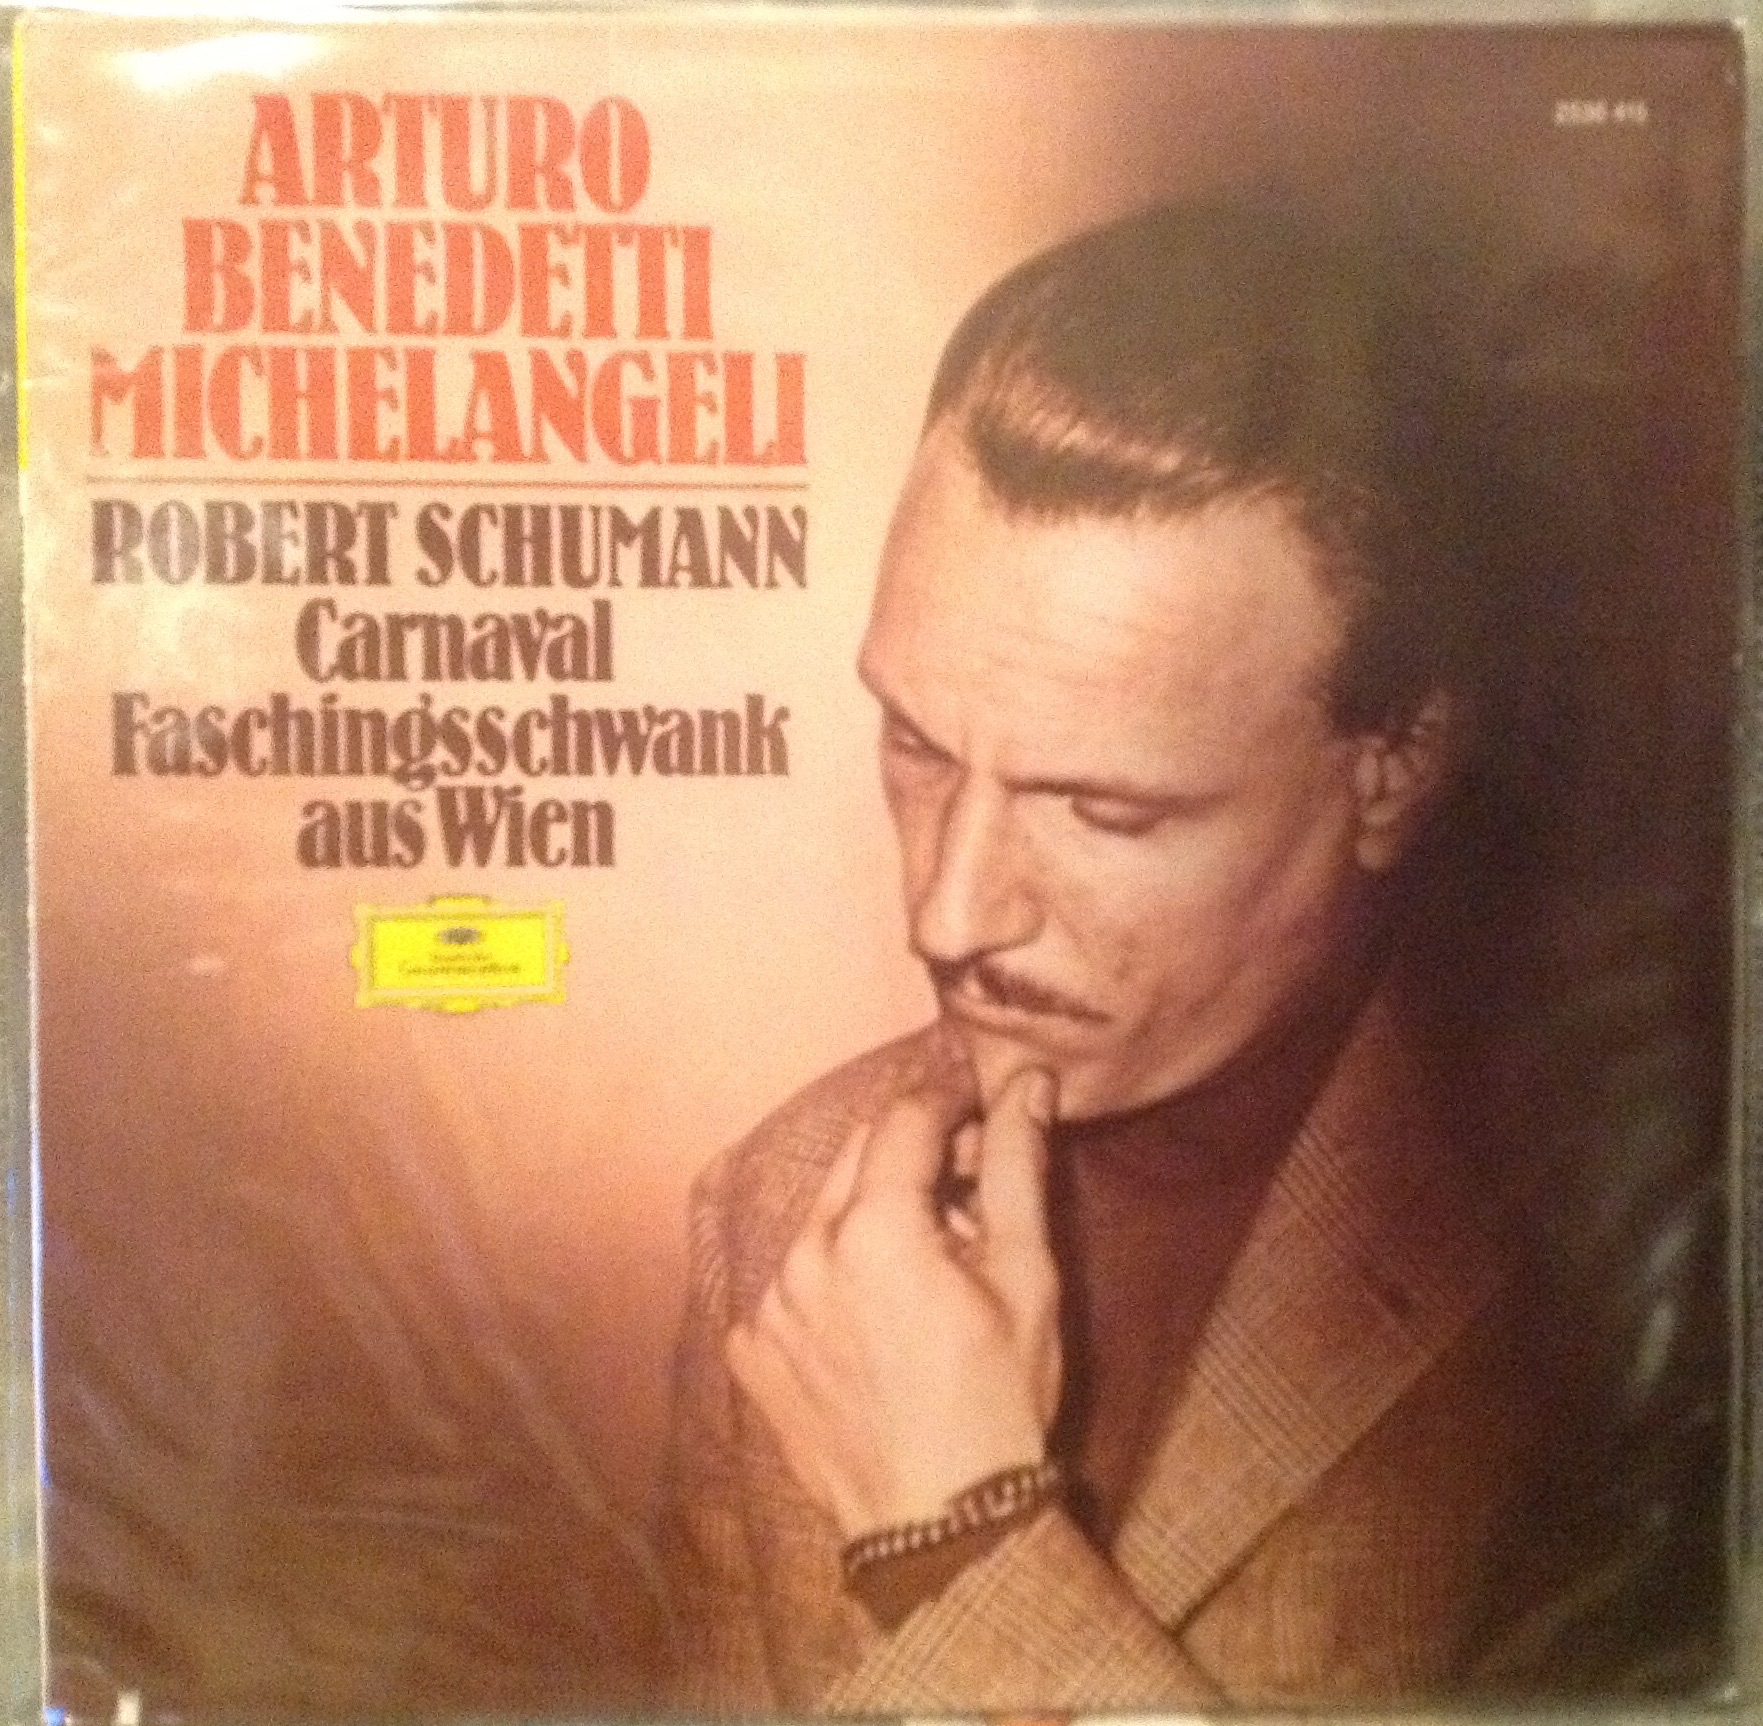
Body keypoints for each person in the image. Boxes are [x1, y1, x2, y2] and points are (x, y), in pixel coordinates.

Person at [659, 200, 1536, 1712]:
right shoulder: (775, 1208)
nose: (947, 917)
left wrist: (962, 1553)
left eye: (1106, 809)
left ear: (1394, 770)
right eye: (918, 746)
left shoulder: (1605, 1275)